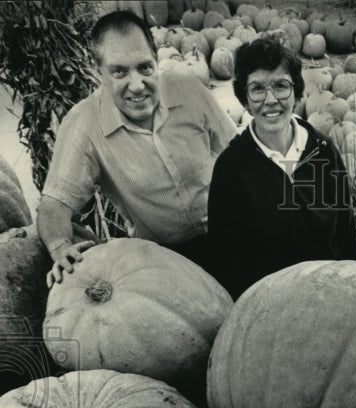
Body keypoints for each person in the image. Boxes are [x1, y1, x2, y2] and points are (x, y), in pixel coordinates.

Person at [37, 9, 236, 286]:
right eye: (119, 71)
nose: (136, 85)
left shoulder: (187, 87)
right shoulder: (85, 125)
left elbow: (237, 153)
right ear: (99, 73)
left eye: (144, 68)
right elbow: (54, 205)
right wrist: (60, 247)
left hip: (231, 230)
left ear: (156, 61)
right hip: (165, 258)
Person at [207, 37, 356, 301]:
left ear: (296, 91)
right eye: (257, 88)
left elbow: (346, 232)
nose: (270, 100)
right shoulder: (231, 169)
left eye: (281, 86)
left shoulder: (323, 151)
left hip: (329, 296)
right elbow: (226, 260)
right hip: (269, 308)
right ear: (244, 99)